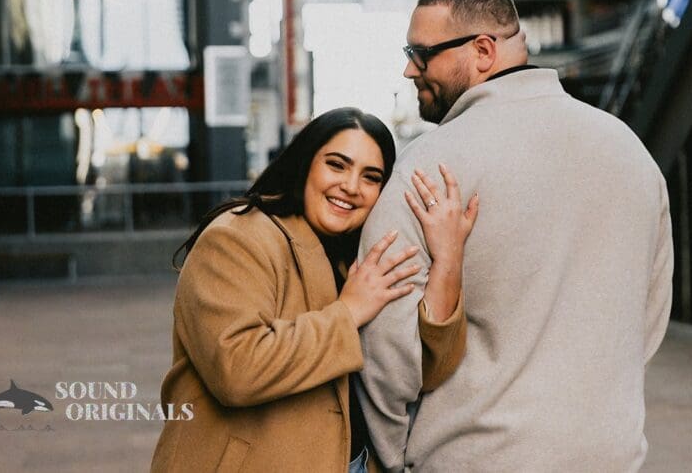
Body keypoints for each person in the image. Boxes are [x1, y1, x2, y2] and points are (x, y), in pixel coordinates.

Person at [357, 0, 674, 472]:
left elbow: (387, 350)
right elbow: (649, 319)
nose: (408, 69)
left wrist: (395, 457)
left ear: (483, 50)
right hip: (610, 455)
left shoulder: (429, 168)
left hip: (477, 458)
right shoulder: (630, 152)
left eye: (420, 53)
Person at [151, 107, 478, 473]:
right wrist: (349, 312)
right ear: (305, 163)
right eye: (337, 165)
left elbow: (426, 371)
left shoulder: (362, 260)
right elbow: (236, 369)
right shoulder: (236, 237)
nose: (351, 186)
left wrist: (448, 260)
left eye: (370, 177)